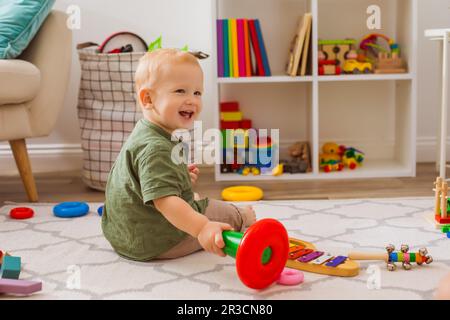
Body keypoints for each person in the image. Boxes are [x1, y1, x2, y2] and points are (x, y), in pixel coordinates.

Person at [102, 48, 256, 261]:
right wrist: (203, 228)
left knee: (187, 198)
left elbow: (144, 177)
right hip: (156, 241)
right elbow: (165, 202)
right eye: (180, 91)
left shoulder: (144, 132)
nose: (192, 100)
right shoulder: (155, 148)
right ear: (148, 98)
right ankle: (242, 216)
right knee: (220, 212)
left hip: (125, 235)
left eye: (197, 93)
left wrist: (179, 175)